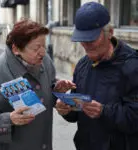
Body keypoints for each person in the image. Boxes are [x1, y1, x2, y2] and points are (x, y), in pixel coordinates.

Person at [55, 2, 138, 150]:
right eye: (82, 39)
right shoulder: (82, 65)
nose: (86, 45)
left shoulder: (133, 65)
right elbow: (77, 112)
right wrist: (66, 110)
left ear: (110, 32)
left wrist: (104, 112)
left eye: (91, 39)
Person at [0, 19, 75, 150]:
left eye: (44, 46)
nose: (43, 52)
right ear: (16, 49)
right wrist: (9, 119)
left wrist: (57, 91)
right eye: (36, 48)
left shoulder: (45, 62)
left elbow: (46, 91)